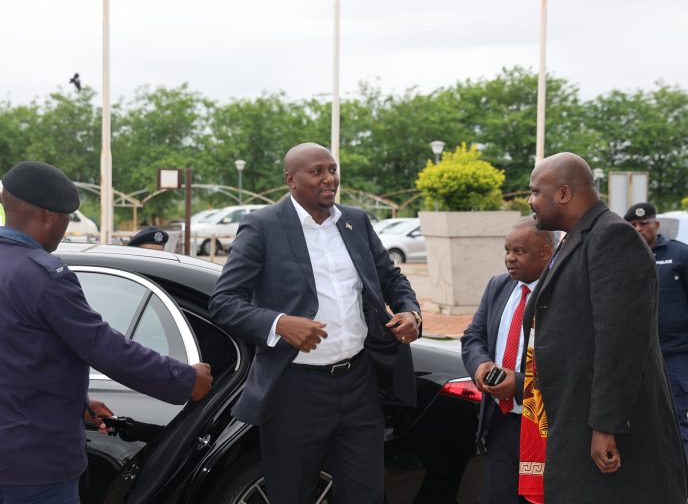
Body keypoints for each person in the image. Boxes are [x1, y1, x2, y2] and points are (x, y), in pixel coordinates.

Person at [208, 142, 421, 504]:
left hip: (359, 383)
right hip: (294, 389)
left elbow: (391, 277)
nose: (329, 179)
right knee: (292, 494)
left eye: (333, 169)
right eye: (317, 171)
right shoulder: (262, 226)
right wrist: (279, 324)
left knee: (366, 494)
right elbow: (224, 302)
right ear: (291, 180)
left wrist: (410, 311)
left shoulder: (355, 221)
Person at [0, 160, 213, 504]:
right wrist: (185, 380)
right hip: (34, 464)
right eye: (67, 218)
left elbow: (19, 358)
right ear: (49, 216)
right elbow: (102, 344)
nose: (66, 228)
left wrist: (78, 403)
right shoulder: (43, 275)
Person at [525, 152, 688, 503]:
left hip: (605, 427)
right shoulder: (576, 237)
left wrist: (606, 426)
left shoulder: (612, 236)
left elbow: (620, 341)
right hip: (574, 414)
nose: (530, 200)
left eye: (536, 191)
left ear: (564, 194)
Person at [461, 217, 554, 504]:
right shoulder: (498, 286)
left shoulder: (561, 293)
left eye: (520, 251)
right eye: (507, 250)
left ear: (546, 252)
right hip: (500, 423)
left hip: (544, 426)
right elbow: (473, 337)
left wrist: (519, 384)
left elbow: (571, 364)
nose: (510, 258)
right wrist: (481, 366)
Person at [624, 201, 688, 462]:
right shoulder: (621, 256)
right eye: (633, 225)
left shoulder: (680, 254)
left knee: (676, 412)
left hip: (674, 350)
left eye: (644, 223)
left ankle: (679, 470)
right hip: (634, 353)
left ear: (656, 224)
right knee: (637, 416)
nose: (639, 228)